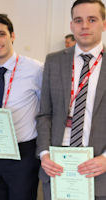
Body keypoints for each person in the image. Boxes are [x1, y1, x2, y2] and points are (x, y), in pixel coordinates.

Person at [36, 0, 106, 199]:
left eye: (92, 19)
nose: (84, 26)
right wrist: (44, 154)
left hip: (99, 169)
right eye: (78, 20)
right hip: (57, 166)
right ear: (71, 25)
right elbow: (44, 114)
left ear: (104, 23)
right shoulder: (54, 60)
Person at [0, 13, 43, 200]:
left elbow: (46, 110)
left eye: (1, 34)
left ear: (12, 36)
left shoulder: (35, 69)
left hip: (24, 154)